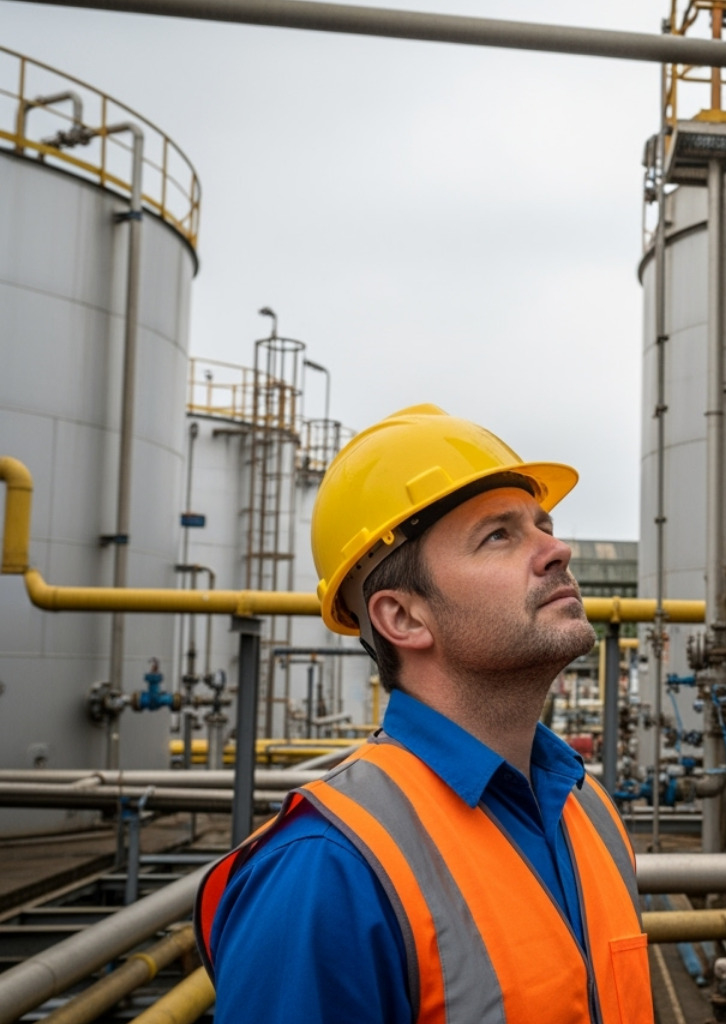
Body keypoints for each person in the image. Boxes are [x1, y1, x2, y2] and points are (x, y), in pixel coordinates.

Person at [195, 405, 653, 1024]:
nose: (557, 549)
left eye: (543, 525)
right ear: (403, 618)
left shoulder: (587, 810)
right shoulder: (324, 872)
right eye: (500, 535)